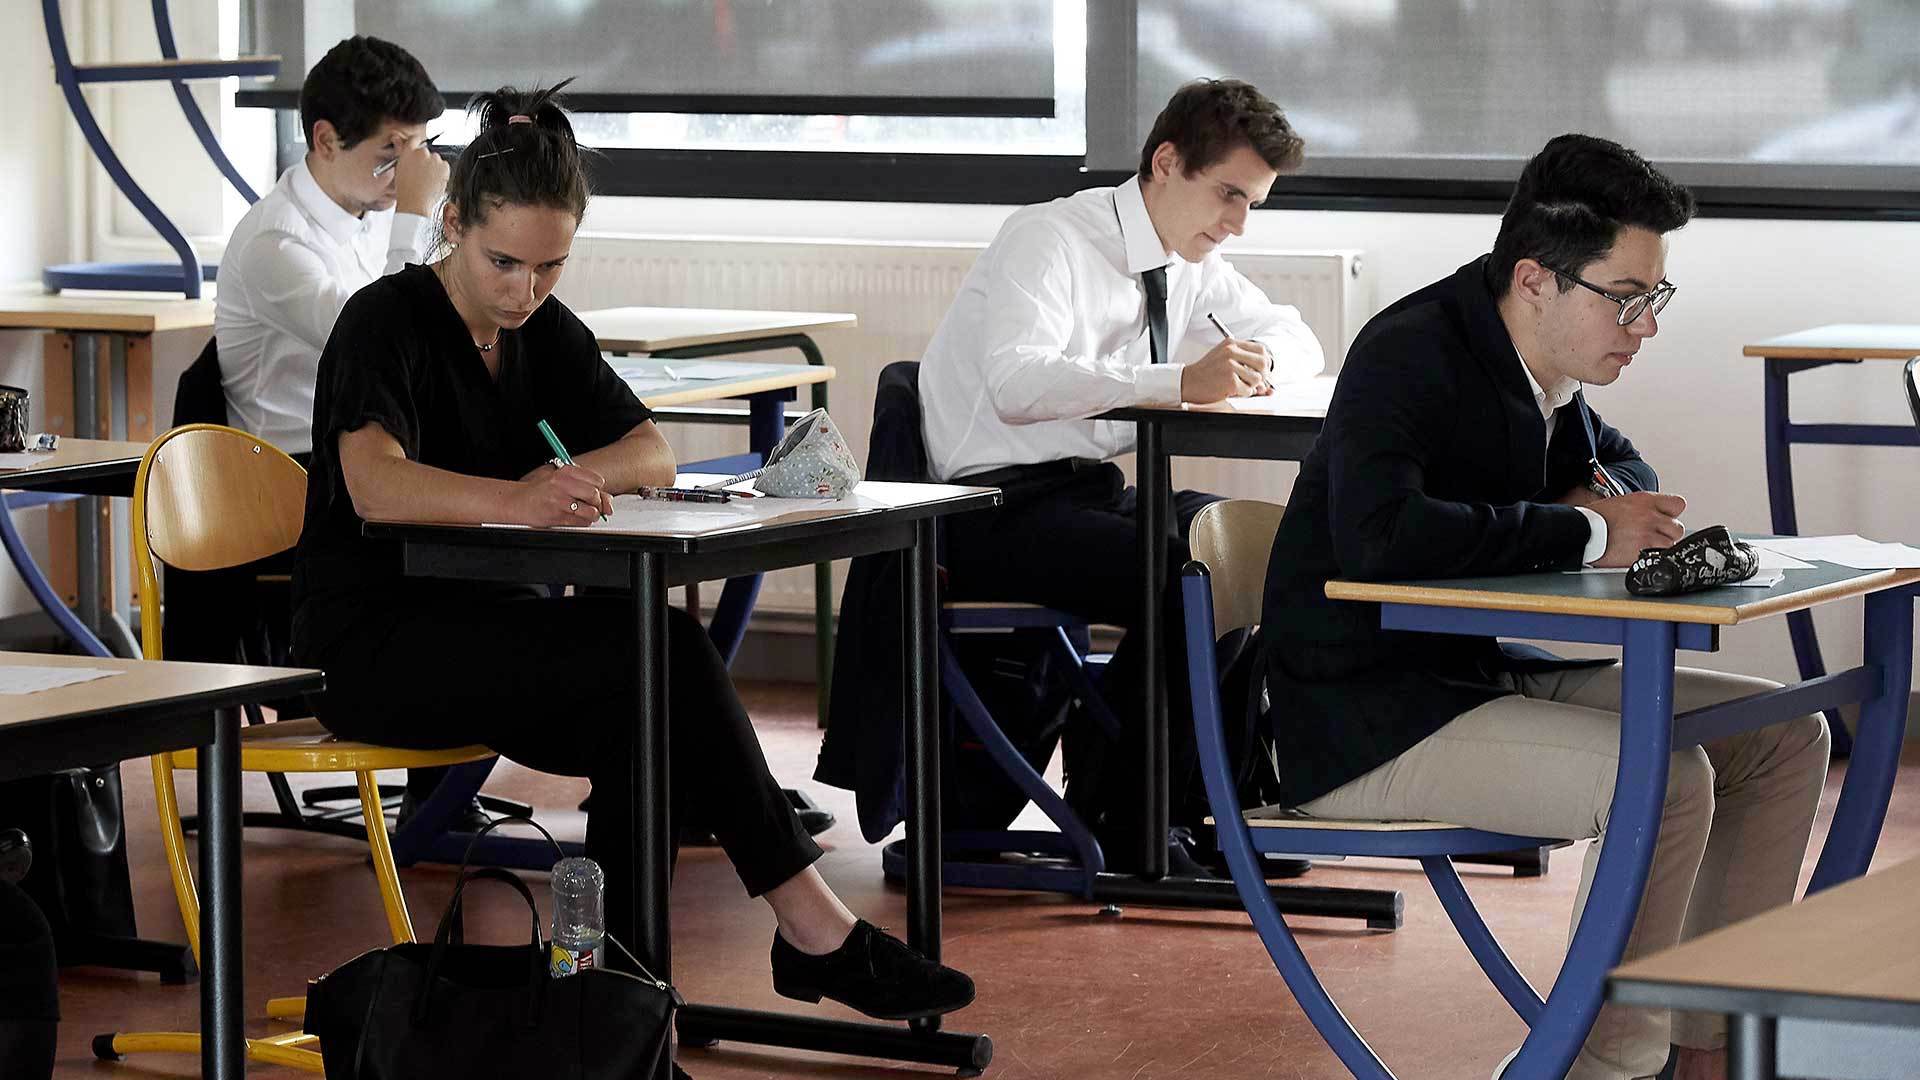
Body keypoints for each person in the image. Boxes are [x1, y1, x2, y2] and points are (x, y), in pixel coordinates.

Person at [288, 84, 975, 1053]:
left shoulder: (539, 331)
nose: (526, 289)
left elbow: (649, 450)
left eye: (552, 266)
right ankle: (808, 931)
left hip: (501, 634)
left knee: (645, 702)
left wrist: (572, 473)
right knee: (661, 652)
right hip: (375, 647)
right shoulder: (384, 319)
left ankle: (616, 1010)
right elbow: (373, 485)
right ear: (452, 224)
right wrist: (521, 497)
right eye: (505, 264)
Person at [1258, 133, 1827, 1080]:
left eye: (1655, 297)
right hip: (1365, 715)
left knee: (1785, 736)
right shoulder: (1410, 352)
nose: (1644, 325)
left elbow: (1626, 475)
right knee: (1663, 777)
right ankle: (1600, 1067)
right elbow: (1383, 536)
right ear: (1534, 279)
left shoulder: (1548, 374)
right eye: (1627, 297)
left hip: (1477, 674)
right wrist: (1579, 531)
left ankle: (1712, 1044)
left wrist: (1592, 511)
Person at [914, 78, 1324, 872]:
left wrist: (1260, 357)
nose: (1238, 224)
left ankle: (1212, 806)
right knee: (1183, 574)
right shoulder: (1050, 238)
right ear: (1166, 162)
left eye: (1255, 204)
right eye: (1230, 195)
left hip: (1084, 492)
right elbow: (1018, 380)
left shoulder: (1188, 258)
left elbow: (1292, 330)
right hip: (986, 508)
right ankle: (1133, 816)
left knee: (1258, 546)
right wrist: (1179, 381)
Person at [215, 34, 448, 455]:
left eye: (420, 151)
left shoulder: (374, 214)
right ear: (325, 141)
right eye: (391, 155)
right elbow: (382, 342)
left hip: (373, 454)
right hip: (294, 474)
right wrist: (415, 212)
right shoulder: (274, 243)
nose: (407, 174)